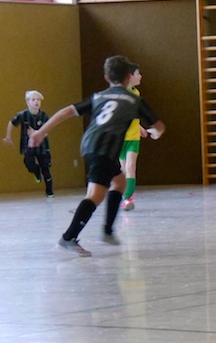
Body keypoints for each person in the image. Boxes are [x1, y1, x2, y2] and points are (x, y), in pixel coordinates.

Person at [29, 56, 165, 257]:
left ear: (106, 78)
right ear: (128, 77)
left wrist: (41, 132)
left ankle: (108, 231)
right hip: (104, 150)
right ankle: (69, 237)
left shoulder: (98, 97)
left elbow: (66, 112)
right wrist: (155, 133)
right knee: (95, 195)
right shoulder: (135, 101)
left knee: (119, 182)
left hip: (89, 144)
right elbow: (158, 126)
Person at [3, 90, 55, 197]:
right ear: (28, 102)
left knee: (45, 169)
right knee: (28, 162)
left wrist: (37, 133)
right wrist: (8, 136)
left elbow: (48, 130)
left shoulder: (44, 115)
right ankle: (36, 172)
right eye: (33, 100)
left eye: (38, 100)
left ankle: (49, 191)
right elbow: (11, 123)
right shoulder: (23, 115)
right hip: (28, 145)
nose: (36, 102)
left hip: (42, 146)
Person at [120, 63, 149, 211]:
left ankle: (128, 199)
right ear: (130, 76)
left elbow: (134, 115)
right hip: (120, 137)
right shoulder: (120, 93)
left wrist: (139, 127)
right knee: (123, 169)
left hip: (133, 137)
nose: (140, 76)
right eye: (138, 73)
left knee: (131, 166)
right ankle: (124, 194)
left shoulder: (136, 93)